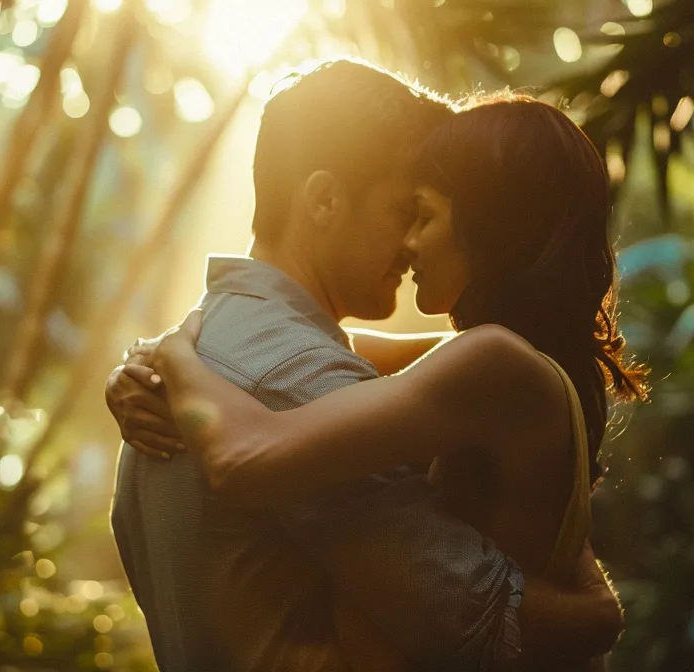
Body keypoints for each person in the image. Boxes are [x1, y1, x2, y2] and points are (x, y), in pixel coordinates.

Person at [105, 61, 623, 670]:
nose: (409, 242)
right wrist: (594, 613)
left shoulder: (219, 353)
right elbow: (459, 609)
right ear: (324, 199)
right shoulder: (302, 380)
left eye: (423, 216)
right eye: (405, 209)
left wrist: (168, 348)